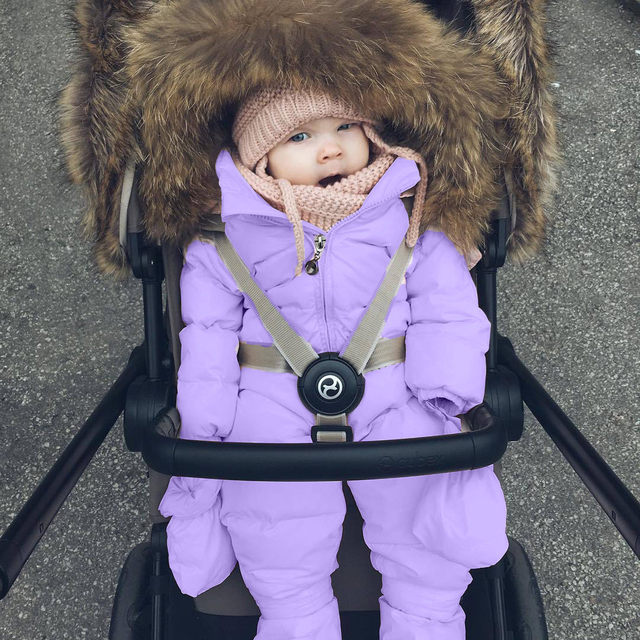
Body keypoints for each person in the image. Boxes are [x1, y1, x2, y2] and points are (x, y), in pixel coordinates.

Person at [158, 87, 509, 640]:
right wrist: (203, 428)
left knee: (422, 509)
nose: (330, 149)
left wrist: (449, 389)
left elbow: (447, 306)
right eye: (299, 137)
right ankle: (294, 620)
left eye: (345, 127)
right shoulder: (225, 234)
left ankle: (426, 619)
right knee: (273, 523)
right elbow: (207, 339)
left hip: (397, 384)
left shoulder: (409, 214)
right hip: (268, 392)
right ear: (260, 158)